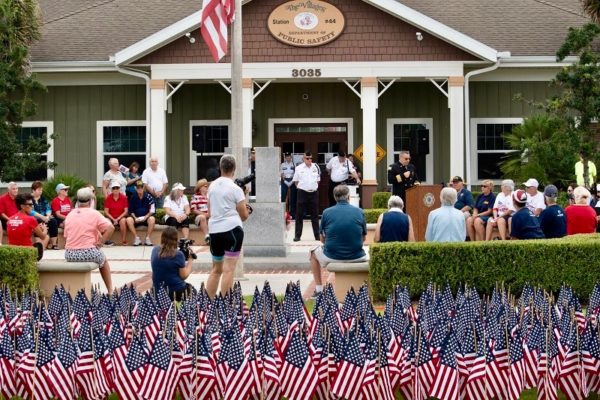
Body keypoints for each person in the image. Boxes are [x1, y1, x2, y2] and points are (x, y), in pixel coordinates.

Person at [206, 154, 251, 298]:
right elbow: (243, 216)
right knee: (229, 269)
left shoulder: (212, 186)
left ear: (220, 168)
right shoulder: (236, 189)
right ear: (234, 169)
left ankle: (208, 304)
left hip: (214, 230)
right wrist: (246, 208)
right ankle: (226, 305)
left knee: (216, 269)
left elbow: (210, 210)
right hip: (232, 230)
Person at [310, 185, 367, 295]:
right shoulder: (360, 211)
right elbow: (363, 238)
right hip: (357, 255)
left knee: (312, 253)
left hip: (332, 255)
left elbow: (322, 239)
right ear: (349, 197)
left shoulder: (326, 212)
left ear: (335, 197)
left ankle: (319, 289)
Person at [64, 188, 114, 294]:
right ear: (91, 201)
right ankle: (110, 290)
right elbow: (111, 227)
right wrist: (101, 242)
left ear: (77, 200)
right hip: (88, 252)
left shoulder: (70, 214)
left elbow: (66, 236)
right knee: (104, 261)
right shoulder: (94, 213)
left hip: (69, 254)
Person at [151, 227, 194, 301]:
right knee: (193, 291)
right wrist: (190, 260)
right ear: (176, 239)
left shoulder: (155, 250)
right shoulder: (178, 254)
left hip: (157, 291)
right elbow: (184, 276)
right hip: (175, 292)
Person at [7, 194, 48, 260]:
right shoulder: (31, 219)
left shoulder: (10, 219)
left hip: (12, 252)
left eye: (32, 204)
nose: (32, 206)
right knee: (44, 239)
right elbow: (43, 237)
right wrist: (45, 229)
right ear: (22, 206)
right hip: (26, 252)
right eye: (30, 204)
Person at [293, 151, 321, 242]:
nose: (309, 160)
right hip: (302, 193)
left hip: (313, 193)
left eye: (311, 158)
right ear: (303, 159)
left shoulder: (315, 167)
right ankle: (297, 235)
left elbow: (318, 180)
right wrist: (302, 188)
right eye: (307, 158)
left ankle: (317, 236)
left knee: (315, 215)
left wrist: (313, 187)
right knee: (299, 215)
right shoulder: (298, 168)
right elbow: (296, 181)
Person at [126, 180, 156, 246]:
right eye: (138, 188)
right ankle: (137, 238)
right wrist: (135, 218)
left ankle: (147, 238)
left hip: (146, 218)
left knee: (152, 219)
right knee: (128, 220)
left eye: (141, 187)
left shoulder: (149, 196)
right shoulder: (133, 197)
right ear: (136, 188)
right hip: (136, 218)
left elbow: (152, 210)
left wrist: (146, 217)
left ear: (143, 188)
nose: (140, 189)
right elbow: (130, 210)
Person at [31, 181, 59, 249]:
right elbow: (31, 212)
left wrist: (48, 216)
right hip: (35, 218)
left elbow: (48, 208)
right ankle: (39, 244)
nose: (40, 191)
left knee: (53, 221)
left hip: (44, 217)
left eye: (41, 190)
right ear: (33, 190)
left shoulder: (43, 199)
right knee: (38, 221)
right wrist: (43, 217)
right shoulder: (29, 199)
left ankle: (54, 244)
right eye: (39, 190)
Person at [104, 181, 129, 245]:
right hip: (110, 217)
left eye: (117, 188)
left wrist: (117, 219)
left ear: (119, 189)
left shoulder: (124, 198)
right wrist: (113, 219)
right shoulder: (108, 198)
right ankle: (107, 240)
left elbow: (126, 211)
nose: (115, 189)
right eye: (114, 188)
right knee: (107, 221)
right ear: (111, 189)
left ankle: (123, 240)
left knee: (123, 221)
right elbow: (106, 212)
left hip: (120, 217)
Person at [190, 179, 210, 245]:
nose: (207, 187)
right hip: (200, 217)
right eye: (205, 186)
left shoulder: (210, 196)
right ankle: (207, 237)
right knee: (202, 217)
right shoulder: (195, 197)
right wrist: (205, 214)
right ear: (200, 188)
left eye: (207, 186)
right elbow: (194, 210)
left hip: (210, 216)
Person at [280, 152, 297, 218]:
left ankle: (292, 213)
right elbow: (281, 174)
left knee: (293, 198)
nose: (288, 158)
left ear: (291, 157)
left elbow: (296, 174)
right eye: (286, 157)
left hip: (292, 180)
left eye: (289, 156)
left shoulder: (294, 164)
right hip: (285, 181)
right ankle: (283, 212)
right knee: (283, 197)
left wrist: (292, 181)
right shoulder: (282, 164)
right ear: (285, 157)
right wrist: (285, 181)